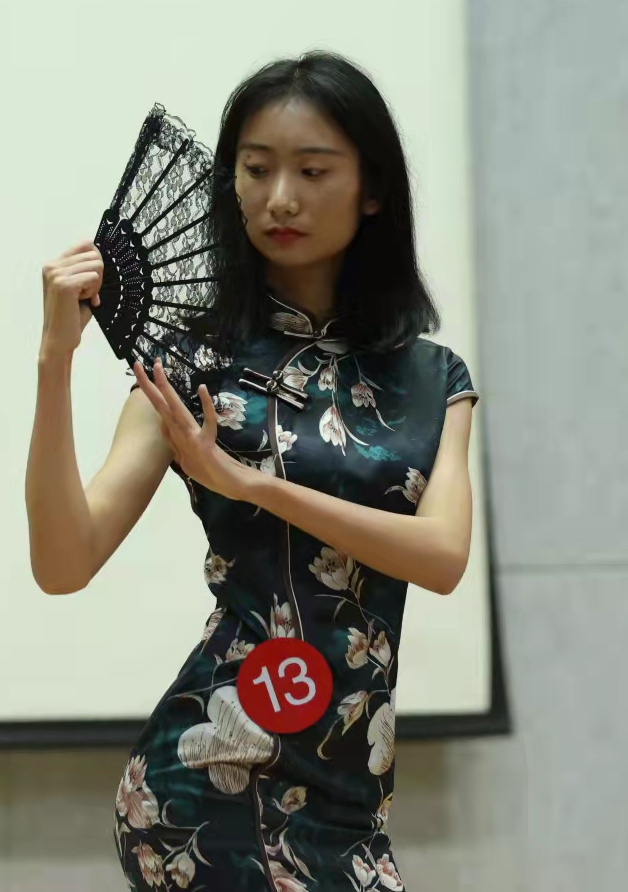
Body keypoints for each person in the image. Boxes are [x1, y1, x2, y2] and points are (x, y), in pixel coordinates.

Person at [26, 51, 479, 892]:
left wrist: (256, 486)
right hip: (207, 782)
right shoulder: (188, 367)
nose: (280, 198)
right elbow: (64, 562)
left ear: (372, 189)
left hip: (349, 798)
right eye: (256, 169)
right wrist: (55, 361)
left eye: (313, 170)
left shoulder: (433, 379)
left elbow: (442, 556)